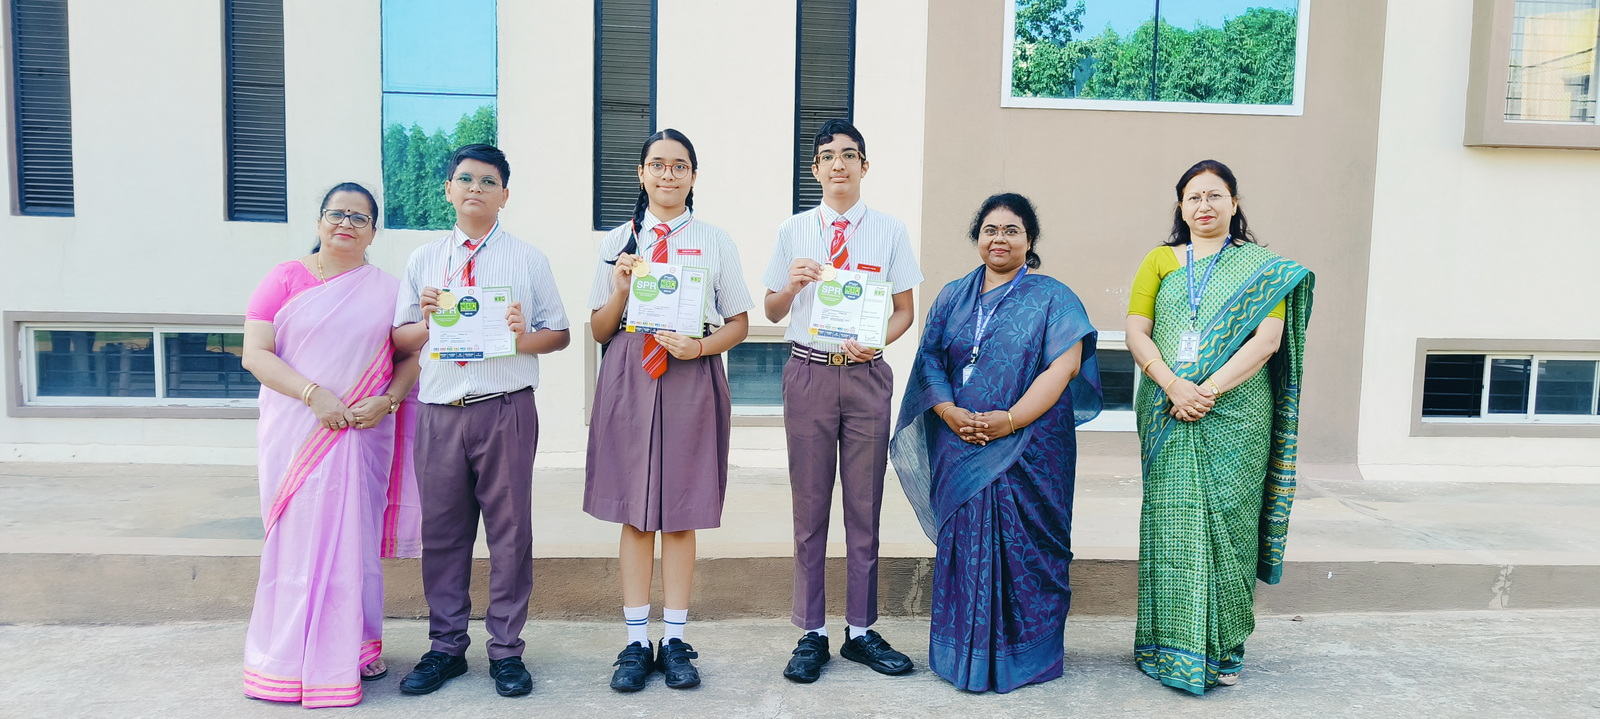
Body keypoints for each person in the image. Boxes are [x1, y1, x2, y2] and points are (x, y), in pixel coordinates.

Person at [889, 192, 1102, 693]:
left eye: (1011, 230)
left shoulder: (1053, 296)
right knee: (965, 549)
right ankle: (963, 656)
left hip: (1030, 445)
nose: (999, 238)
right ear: (977, 238)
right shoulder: (952, 296)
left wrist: (1009, 420)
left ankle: (1024, 659)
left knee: (1029, 550)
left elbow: (1065, 367)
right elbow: (930, 359)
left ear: (1030, 240)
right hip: (959, 440)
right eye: (990, 229)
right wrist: (948, 412)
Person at [1125, 159, 1314, 694]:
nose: (1204, 205)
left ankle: (1226, 645)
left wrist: (1206, 390)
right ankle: (1164, 644)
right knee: (1172, 524)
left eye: (1214, 195)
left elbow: (1267, 341)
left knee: (1231, 523)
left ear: (1234, 202)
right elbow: (1136, 332)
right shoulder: (1159, 260)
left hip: (1236, 411)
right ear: (1180, 207)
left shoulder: (1263, 268)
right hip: (1166, 406)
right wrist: (1173, 385)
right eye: (1193, 197)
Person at [391, 144, 571, 698]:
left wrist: (521, 335)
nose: (476, 188)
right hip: (441, 412)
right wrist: (426, 321)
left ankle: (506, 650)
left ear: (504, 195)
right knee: (443, 533)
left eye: (488, 181)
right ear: (448, 190)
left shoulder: (528, 259)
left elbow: (560, 334)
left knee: (510, 533)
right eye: (466, 179)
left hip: (505, 408)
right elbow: (400, 338)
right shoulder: (424, 260)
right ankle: (445, 646)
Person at [239, 182, 423, 708]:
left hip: (360, 435)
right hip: (297, 431)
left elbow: (410, 355)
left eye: (359, 218)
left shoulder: (389, 291)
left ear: (373, 232)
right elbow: (256, 353)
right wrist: (313, 395)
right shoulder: (283, 278)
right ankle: (284, 659)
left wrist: (388, 400)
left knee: (352, 546)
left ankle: (353, 651)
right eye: (337, 213)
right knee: (294, 544)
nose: (346, 223)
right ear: (320, 221)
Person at [584, 128, 753, 692]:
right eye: (657, 164)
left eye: (679, 165)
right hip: (630, 372)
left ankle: (676, 639)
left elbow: (739, 322)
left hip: (690, 372)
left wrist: (700, 347)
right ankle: (636, 642)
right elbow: (599, 330)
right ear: (641, 173)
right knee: (635, 511)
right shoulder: (616, 241)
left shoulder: (714, 241)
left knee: (681, 510)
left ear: (693, 176)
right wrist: (619, 288)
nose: (668, 174)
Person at [763, 119, 922, 683]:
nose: (839, 164)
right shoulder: (794, 231)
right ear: (815, 169)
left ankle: (860, 629)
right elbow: (771, 311)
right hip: (808, 372)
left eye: (849, 155)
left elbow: (905, 311)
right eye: (828, 156)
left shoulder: (889, 231)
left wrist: (879, 341)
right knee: (809, 509)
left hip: (864, 375)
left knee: (864, 506)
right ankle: (811, 631)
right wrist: (791, 286)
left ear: (864, 166)